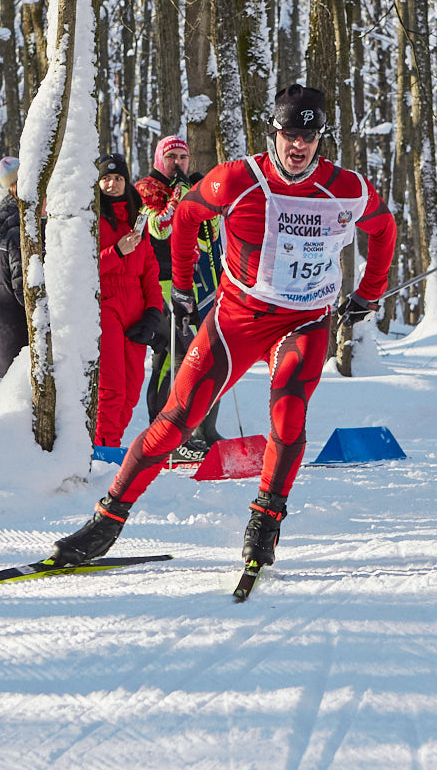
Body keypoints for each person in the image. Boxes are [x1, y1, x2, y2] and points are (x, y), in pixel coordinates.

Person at [53, 84, 397, 570]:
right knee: (176, 419)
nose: (297, 146)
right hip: (236, 320)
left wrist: (369, 291)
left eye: (308, 135)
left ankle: (264, 523)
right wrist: (181, 283)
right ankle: (107, 521)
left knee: (288, 416)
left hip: (304, 322)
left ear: (321, 138)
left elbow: (384, 229)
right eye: (288, 134)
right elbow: (187, 216)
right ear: (272, 132)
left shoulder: (345, 188)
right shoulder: (238, 178)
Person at [135, 135, 224, 459]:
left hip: (200, 286)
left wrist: (205, 202)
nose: (178, 163)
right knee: (171, 360)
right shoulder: (148, 188)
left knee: (209, 359)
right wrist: (181, 194)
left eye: (183, 157)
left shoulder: (192, 187)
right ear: (160, 159)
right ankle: (163, 434)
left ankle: (203, 429)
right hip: (163, 288)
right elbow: (160, 228)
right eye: (171, 156)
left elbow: (212, 232)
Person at [94, 153, 163, 447]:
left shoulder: (139, 218)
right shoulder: (91, 218)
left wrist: (153, 313)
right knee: (112, 390)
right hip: (105, 308)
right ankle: (103, 448)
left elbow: (150, 269)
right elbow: (81, 268)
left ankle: (110, 445)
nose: (112, 184)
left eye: (118, 178)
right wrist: (116, 252)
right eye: (106, 178)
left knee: (132, 390)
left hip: (135, 311)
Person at [0, 157, 28, 378]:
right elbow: (22, 286)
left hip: (8, 329)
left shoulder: (0, 220)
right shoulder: (16, 228)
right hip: (19, 330)